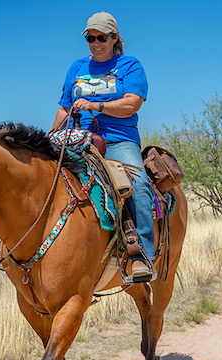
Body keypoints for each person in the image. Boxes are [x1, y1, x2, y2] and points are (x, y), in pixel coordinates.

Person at [53, 11, 155, 281]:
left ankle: (141, 255)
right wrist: (51, 136)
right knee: (39, 173)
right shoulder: (77, 68)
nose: (95, 43)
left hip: (118, 139)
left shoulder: (130, 66)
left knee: (139, 184)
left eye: (101, 37)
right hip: (77, 138)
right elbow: (64, 108)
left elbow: (131, 104)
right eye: (90, 38)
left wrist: (96, 105)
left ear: (114, 38)